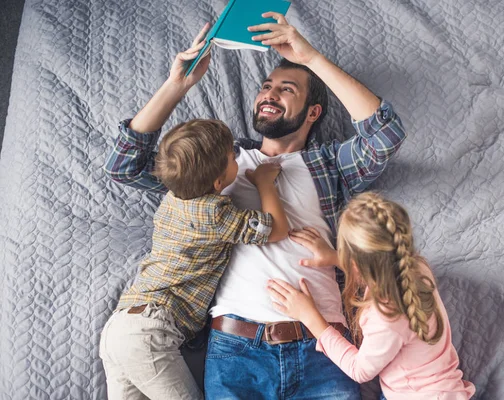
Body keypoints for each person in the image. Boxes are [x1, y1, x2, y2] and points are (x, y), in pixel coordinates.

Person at [104, 12, 406, 399]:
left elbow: (386, 135)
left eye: (287, 89)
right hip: (236, 349)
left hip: (322, 344)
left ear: (313, 112)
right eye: (266, 86)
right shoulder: (220, 163)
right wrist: (176, 86)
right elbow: (124, 167)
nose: (269, 94)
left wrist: (311, 58)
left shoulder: (328, 165)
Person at [99, 119, 289, 399]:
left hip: (119, 326)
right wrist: (264, 183)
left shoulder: (172, 199)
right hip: (151, 330)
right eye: (232, 156)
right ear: (218, 182)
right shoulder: (216, 213)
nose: (237, 156)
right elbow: (276, 229)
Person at [267, 192, 476, 400]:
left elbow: (359, 370)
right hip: (447, 391)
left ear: (356, 264)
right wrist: (335, 257)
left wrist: (311, 317)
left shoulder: (386, 317)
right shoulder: (416, 267)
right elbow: (379, 266)